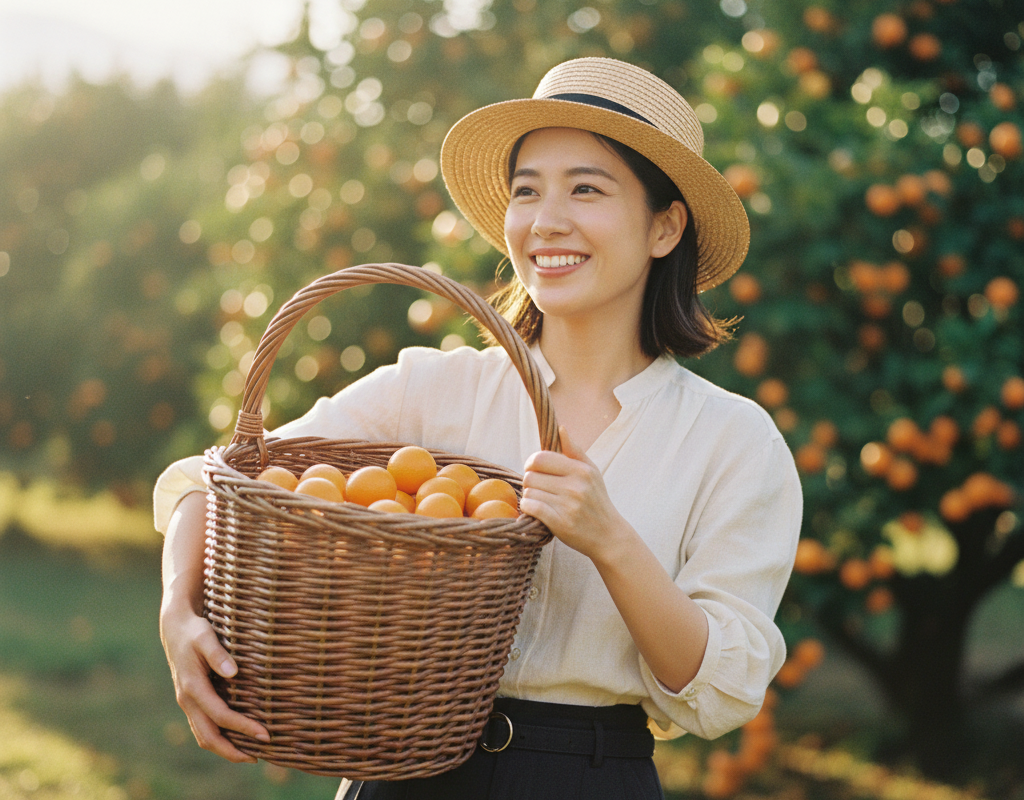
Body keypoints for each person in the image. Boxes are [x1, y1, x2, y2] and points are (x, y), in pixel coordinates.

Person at [156, 57, 802, 800]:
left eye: (585, 189)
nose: (544, 220)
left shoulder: (731, 441)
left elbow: (721, 688)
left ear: (664, 226)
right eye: (527, 191)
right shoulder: (436, 387)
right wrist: (180, 609)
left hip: (587, 779)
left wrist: (610, 540)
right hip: (401, 769)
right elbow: (217, 480)